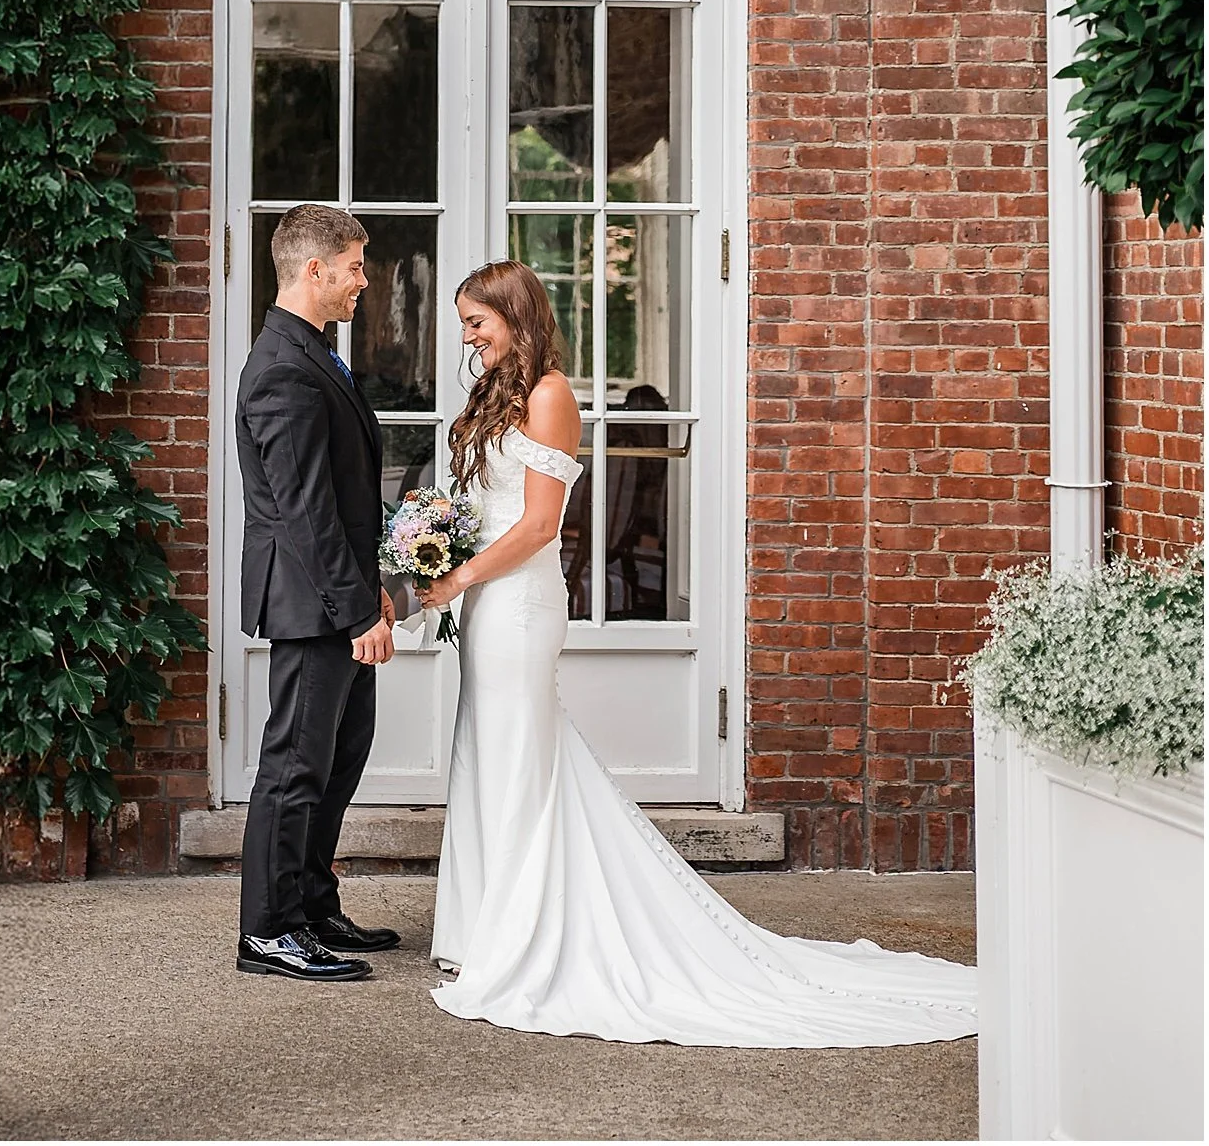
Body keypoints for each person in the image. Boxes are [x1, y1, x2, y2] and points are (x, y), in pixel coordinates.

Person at [413, 260, 979, 1045]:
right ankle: (482, 927)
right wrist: (436, 551)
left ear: (515, 315)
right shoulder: (496, 394)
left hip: (518, 604)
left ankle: (523, 934)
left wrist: (460, 574)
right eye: (464, 323)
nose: (467, 336)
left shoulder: (548, 393)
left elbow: (542, 525)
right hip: (484, 601)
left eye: (477, 321)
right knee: (491, 752)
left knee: (517, 759)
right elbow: (483, 504)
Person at [233, 203, 402, 982]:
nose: (362, 282)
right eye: (356, 267)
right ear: (315, 269)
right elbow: (304, 511)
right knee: (295, 765)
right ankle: (267, 931)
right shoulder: (280, 368)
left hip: (338, 593)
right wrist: (355, 607)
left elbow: (341, 493)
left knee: (340, 757)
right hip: (311, 601)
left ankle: (310, 903)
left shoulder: (314, 353)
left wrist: (374, 591)